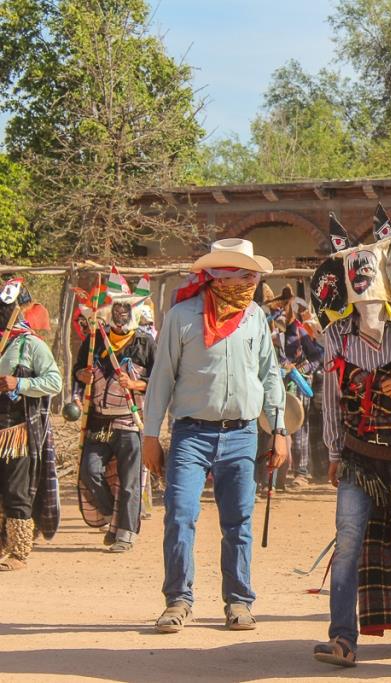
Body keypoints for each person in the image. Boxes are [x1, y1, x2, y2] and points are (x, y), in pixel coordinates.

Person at [309, 208, 391, 667]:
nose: (363, 283)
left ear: (390, 275)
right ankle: (342, 638)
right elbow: (329, 401)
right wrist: (332, 452)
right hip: (356, 457)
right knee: (348, 540)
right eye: (355, 275)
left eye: (370, 273)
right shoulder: (335, 338)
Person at [142, 238, 287, 633]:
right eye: (242, 274)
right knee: (180, 515)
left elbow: (269, 374)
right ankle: (178, 600)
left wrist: (279, 430)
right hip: (190, 434)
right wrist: (150, 435)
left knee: (238, 522)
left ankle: (239, 601)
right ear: (219, 276)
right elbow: (161, 378)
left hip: (242, 434)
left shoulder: (255, 317)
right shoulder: (182, 317)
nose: (249, 281)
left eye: (251, 275)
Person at [74, 271, 155, 552]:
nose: (120, 316)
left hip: (130, 423)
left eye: (125, 310)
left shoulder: (145, 344)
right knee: (89, 471)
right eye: (116, 310)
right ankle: (111, 517)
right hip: (98, 422)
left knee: (131, 482)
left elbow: (160, 383)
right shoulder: (95, 340)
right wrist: (82, 376)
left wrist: (134, 383)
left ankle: (125, 534)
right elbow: (77, 374)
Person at [0, 278, 62, 571]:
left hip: (17, 431)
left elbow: (54, 382)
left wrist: (19, 382)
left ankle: (19, 551)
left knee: (16, 490)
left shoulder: (31, 345)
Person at [266, 285, 323, 488]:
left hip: (299, 383)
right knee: (274, 428)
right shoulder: (269, 333)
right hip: (276, 384)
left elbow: (317, 356)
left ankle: (302, 472)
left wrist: (300, 369)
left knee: (299, 427)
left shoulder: (300, 332)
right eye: (273, 312)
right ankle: (273, 477)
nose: (276, 315)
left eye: (279, 311)